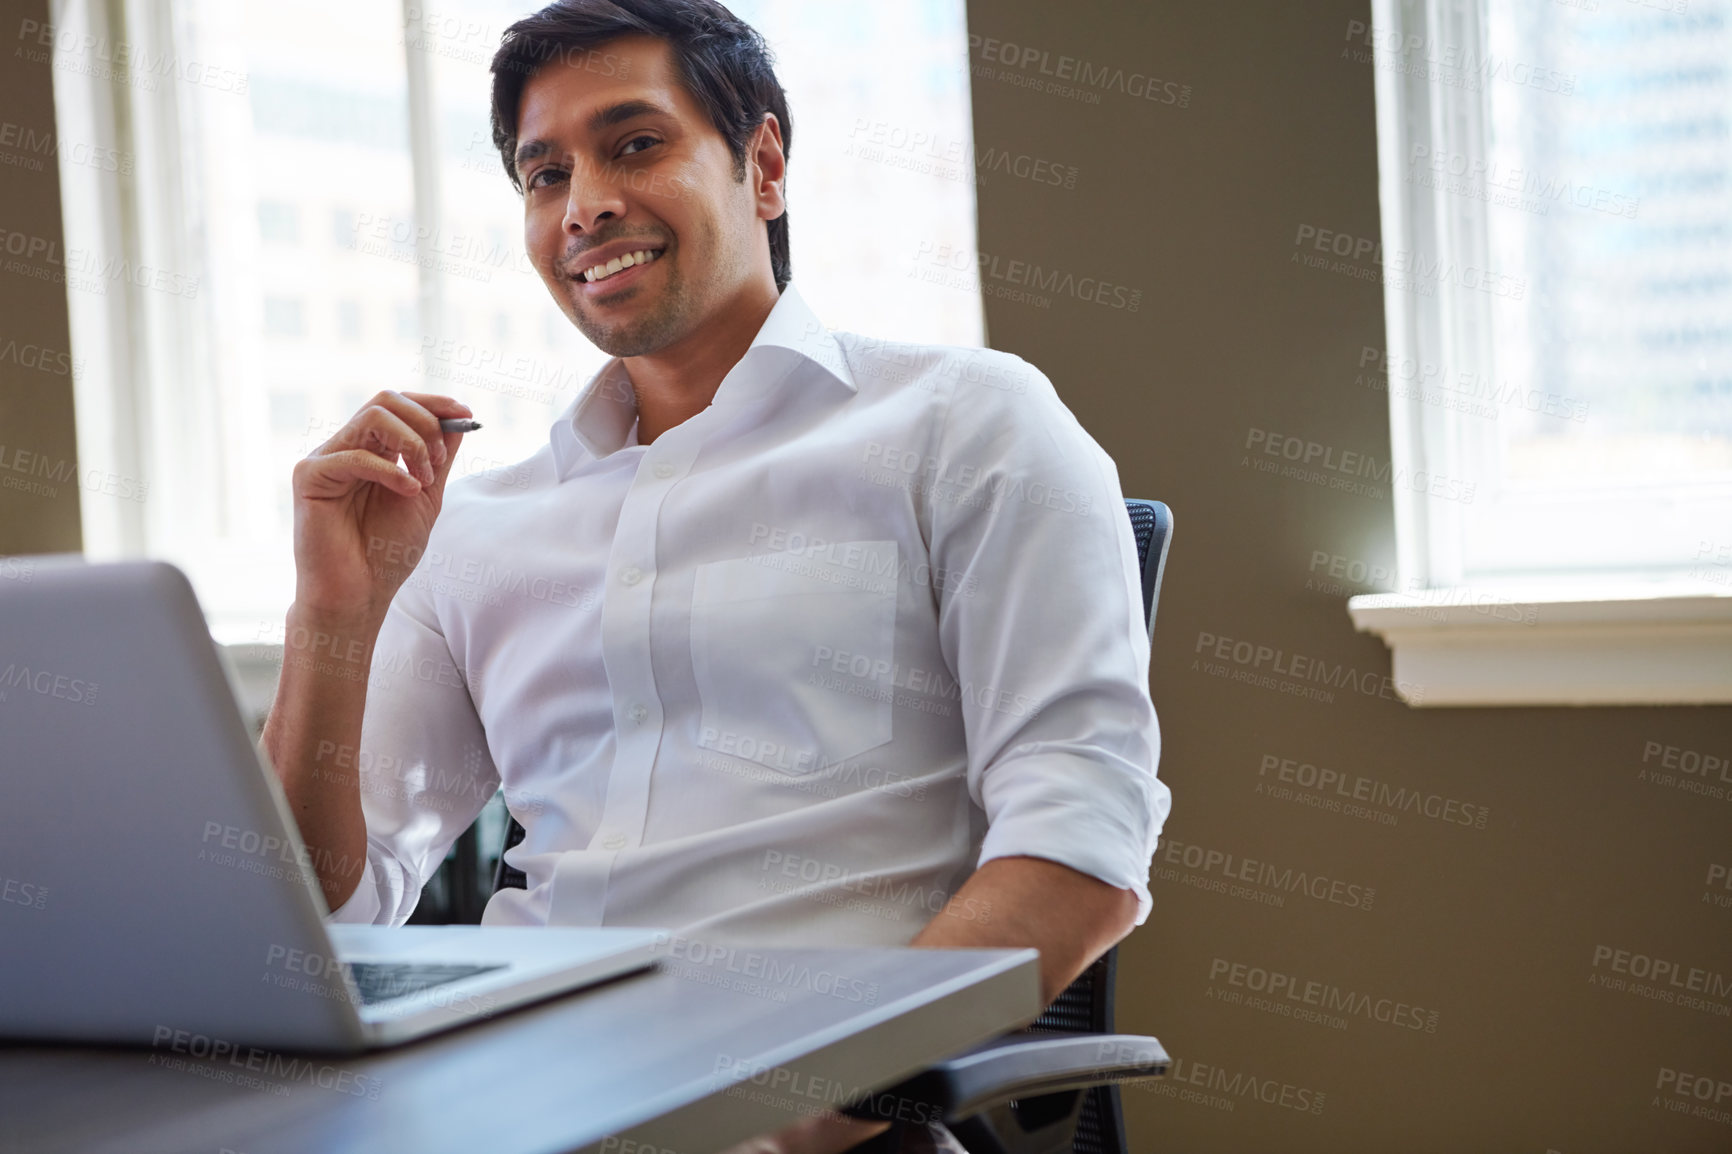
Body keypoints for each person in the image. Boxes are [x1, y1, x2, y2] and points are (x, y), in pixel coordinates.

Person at [260, 2, 1170, 1149]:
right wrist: (332, 615)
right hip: (507, 1098)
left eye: (634, 143)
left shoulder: (966, 423)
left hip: (820, 1114)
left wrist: (786, 1124)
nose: (583, 201)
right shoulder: (477, 520)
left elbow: (1080, 853)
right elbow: (319, 919)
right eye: (544, 173)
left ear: (765, 165)